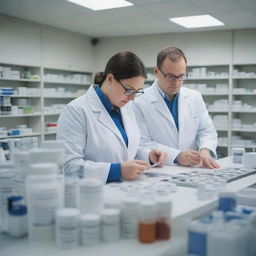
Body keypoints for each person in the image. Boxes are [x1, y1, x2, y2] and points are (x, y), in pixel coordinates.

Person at [57, 51, 167, 183]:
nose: (132, 98)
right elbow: (69, 166)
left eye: (137, 91)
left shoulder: (126, 107)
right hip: (92, 193)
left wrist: (148, 155)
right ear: (110, 79)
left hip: (126, 190)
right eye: (129, 90)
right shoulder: (76, 111)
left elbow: (126, 149)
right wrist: (117, 171)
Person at [133, 46, 220, 169]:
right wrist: (177, 156)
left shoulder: (195, 97)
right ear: (156, 72)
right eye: (170, 77)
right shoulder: (138, 102)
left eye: (181, 76)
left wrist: (205, 150)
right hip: (161, 171)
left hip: (193, 170)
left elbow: (206, 130)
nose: (177, 83)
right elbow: (142, 143)